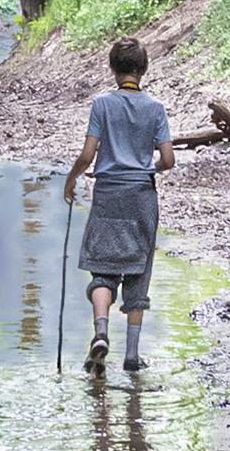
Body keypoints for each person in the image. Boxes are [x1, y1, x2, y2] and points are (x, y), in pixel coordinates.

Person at [63, 36, 174, 373]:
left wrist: (71, 180)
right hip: (141, 196)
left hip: (108, 193)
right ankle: (132, 356)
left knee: (104, 272)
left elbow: (87, 155)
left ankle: (100, 332)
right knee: (138, 274)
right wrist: (144, 169)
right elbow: (168, 159)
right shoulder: (155, 109)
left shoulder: (101, 104)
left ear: (112, 70)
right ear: (143, 69)